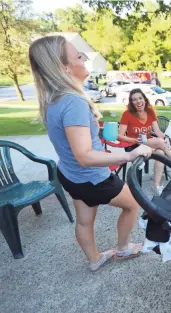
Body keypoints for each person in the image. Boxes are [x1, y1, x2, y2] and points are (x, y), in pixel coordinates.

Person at [29, 35, 152, 272]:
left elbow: (75, 143)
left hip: (70, 175)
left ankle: (95, 259)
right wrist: (130, 154)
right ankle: (124, 248)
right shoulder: (73, 102)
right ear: (63, 68)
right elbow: (84, 155)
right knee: (133, 204)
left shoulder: (53, 100)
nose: (84, 58)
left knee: (85, 221)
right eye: (78, 56)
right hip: (93, 177)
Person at [118, 88, 171, 194]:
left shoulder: (150, 112)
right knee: (159, 142)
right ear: (131, 102)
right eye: (134, 99)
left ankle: (156, 185)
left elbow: (158, 131)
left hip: (147, 143)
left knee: (161, 153)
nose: (138, 101)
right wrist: (133, 139)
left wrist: (165, 138)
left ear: (145, 99)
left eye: (140, 98)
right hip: (133, 145)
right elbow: (119, 136)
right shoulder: (127, 114)